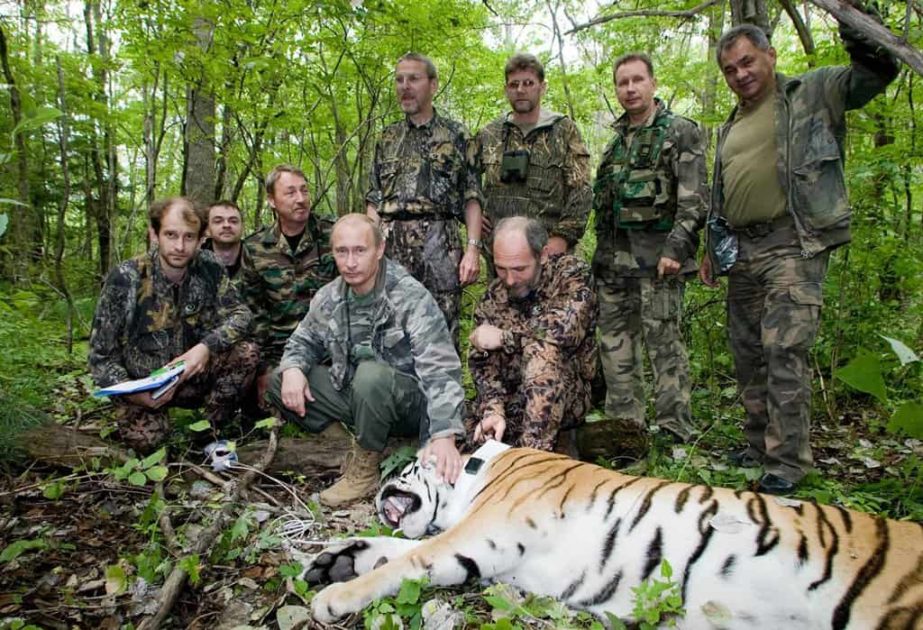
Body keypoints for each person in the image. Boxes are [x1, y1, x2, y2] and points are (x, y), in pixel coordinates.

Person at [700, 15, 899, 494]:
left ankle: (788, 463)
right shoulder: (732, 124)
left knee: (784, 349)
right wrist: (712, 250)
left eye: (748, 61)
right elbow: (724, 194)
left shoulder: (812, 92)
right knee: (748, 353)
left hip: (794, 241)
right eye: (730, 69)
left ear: (770, 55)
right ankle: (758, 445)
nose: (740, 74)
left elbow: (875, 73)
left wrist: (858, 20)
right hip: (743, 249)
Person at [267, 214, 466, 507]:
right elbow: (302, 341)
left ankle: (365, 471)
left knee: (370, 376)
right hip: (359, 394)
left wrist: (445, 434)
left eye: (360, 251)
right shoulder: (330, 296)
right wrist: (294, 368)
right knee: (279, 379)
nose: (350, 262)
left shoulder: (409, 296)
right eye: (341, 252)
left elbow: (441, 368)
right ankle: (343, 442)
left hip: (408, 403)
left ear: (379, 249)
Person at [592, 53, 708, 444]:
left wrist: (676, 249)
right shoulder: (613, 146)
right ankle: (627, 431)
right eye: (622, 82)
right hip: (614, 269)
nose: (630, 89)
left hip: (658, 266)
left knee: (666, 351)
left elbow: (694, 201)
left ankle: (676, 431)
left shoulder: (679, 132)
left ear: (653, 83)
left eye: (637, 80)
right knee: (615, 351)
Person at [89, 197, 259, 452]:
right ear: (154, 234)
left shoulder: (210, 266)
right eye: (170, 235)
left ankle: (207, 432)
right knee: (148, 443)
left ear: (202, 238)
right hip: (144, 384)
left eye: (189, 237)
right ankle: (154, 423)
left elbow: (241, 314)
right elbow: (100, 357)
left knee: (247, 353)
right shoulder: (126, 277)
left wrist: (205, 348)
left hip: (192, 376)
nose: (179, 246)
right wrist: (133, 393)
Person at [366, 52, 483, 345]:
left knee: (441, 334)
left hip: (440, 245)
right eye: (399, 80)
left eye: (413, 79)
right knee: (392, 335)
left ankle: (444, 392)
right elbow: (373, 201)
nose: (405, 86)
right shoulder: (387, 137)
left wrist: (472, 249)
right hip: (391, 248)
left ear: (433, 84)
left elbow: (472, 196)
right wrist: (369, 250)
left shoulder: (457, 135)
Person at [468, 216, 597, 453]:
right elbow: (484, 364)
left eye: (519, 269)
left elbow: (564, 330)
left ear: (543, 255)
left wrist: (505, 338)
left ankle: (533, 456)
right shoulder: (493, 298)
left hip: (564, 395)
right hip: (514, 398)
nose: (509, 279)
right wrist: (493, 410)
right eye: (500, 268)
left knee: (542, 352)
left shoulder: (571, 276)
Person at [474, 53, 591, 262]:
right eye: (514, 84)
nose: (520, 90)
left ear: (542, 87)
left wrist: (562, 238)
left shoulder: (563, 130)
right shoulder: (490, 133)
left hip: (549, 253)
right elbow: (462, 179)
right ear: (506, 89)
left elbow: (581, 190)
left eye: (528, 83)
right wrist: (473, 216)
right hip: (501, 257)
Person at [240, 165, 337, 409]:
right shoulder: (255, 248)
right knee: (272, 402)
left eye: (304, 191)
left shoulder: (333, 235)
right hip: (279, 351)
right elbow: (255, 314)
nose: (301, 199)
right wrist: (263, 370)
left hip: (330, 347)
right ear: (272, 200)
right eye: (290, 192)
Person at [202, 200, 244, 285]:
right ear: (207, 229)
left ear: (243, 227)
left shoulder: (257, 258)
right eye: (218, 221)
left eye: (233, 221)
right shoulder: (194, 262)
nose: (226, 225)